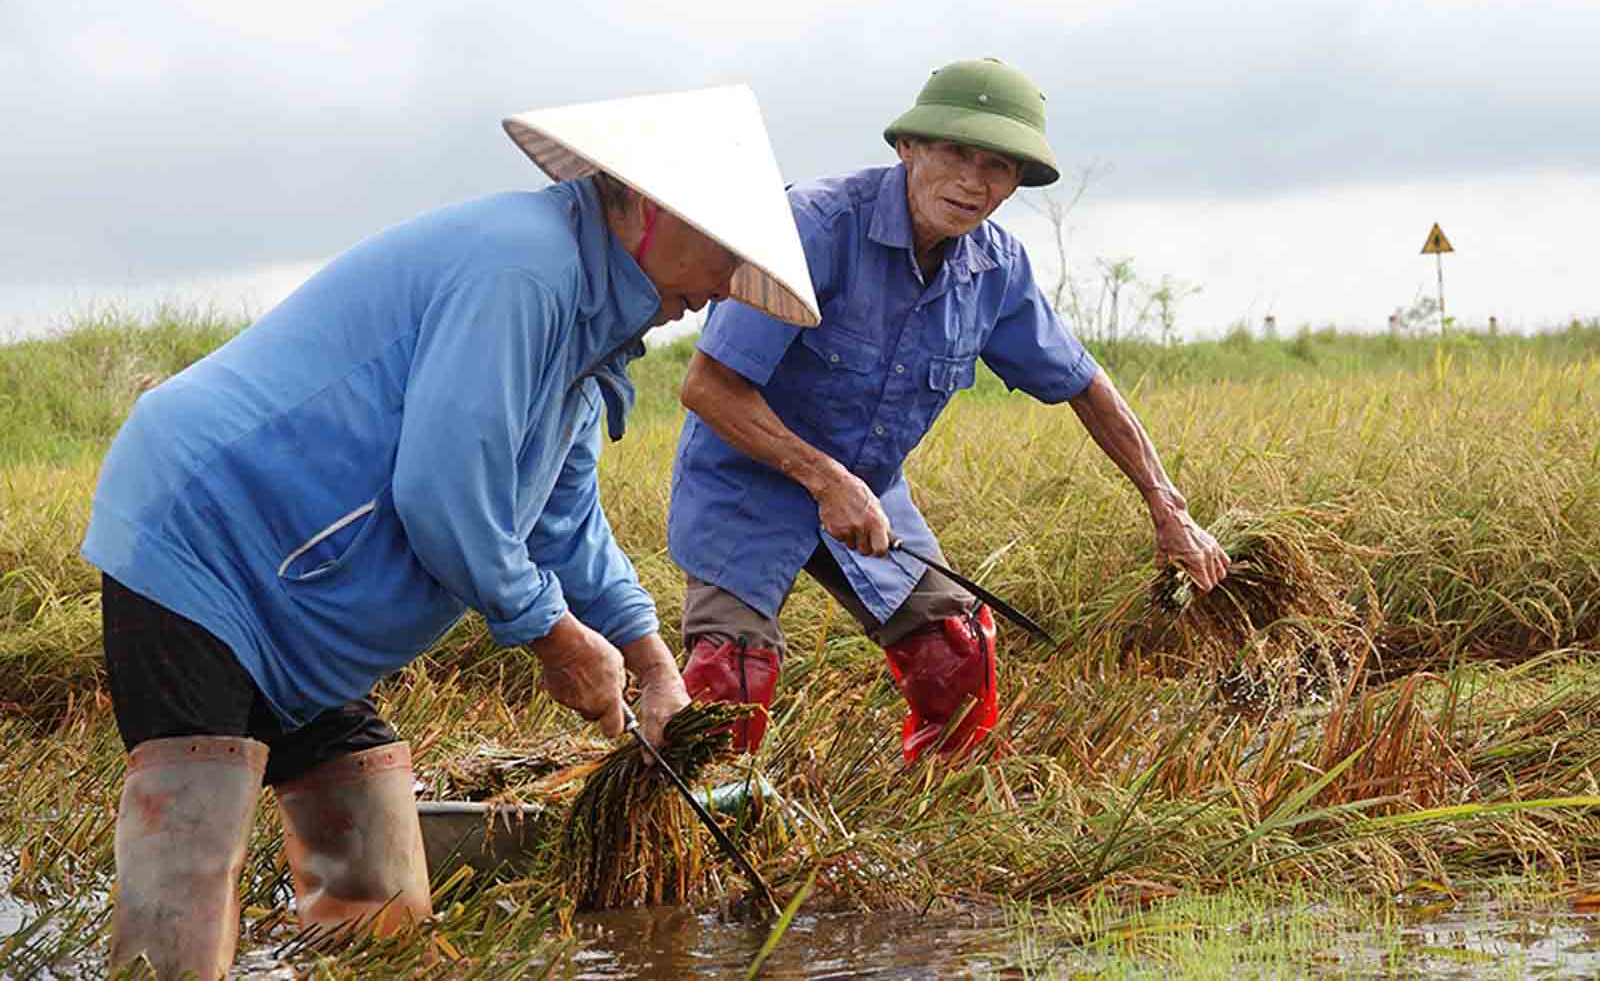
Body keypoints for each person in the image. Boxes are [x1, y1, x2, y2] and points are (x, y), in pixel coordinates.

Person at [81, 84, 820, 980]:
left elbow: (562, 521)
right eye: (723, 253)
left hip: (306, 613)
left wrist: (650, 660)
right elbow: (442, 496)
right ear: (651, 208)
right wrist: (554, 639)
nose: (720, 289)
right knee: (188, 867)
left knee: (378, 886)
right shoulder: (524, 269)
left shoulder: (589, 344)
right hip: (207, 540)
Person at [667, 58, 1231, 763]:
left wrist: (1166, 505)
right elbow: (708, 387)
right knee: (731, 687)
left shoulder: (995, 270)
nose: (973, 180)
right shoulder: (814, 226)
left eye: (998, 166)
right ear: (908, 147)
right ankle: (689, 840)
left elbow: (1085, 383)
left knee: (957, 656)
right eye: (955, 152)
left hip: (869, 487)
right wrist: (822, 479)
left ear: (1016, 183)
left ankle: (926, 828)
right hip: (745, 476)